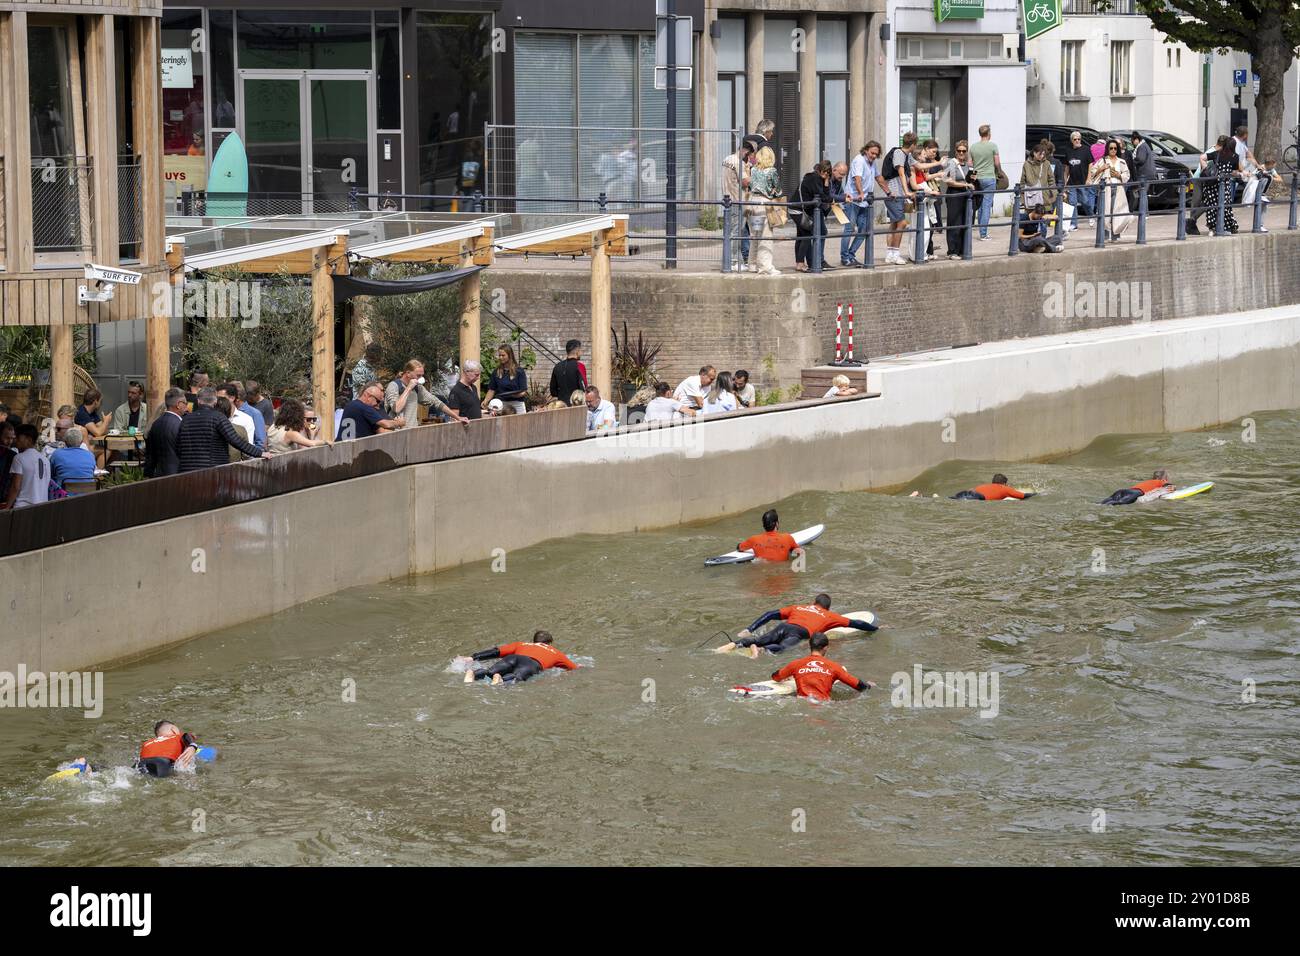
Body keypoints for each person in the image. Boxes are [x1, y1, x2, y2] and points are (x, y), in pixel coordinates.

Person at [714, 593, 879, 658]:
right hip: (799, 633)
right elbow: (857, 623)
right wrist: (875, 629)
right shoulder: (830, 616)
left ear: (814, 603)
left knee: (763, 638)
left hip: (785, 626)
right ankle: (761, 650)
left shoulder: (799, 607)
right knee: (784, 647)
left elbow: (770, 614)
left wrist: (749, 628)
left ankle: (735, 644)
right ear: (827, 607)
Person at [177, 387, 266, 471]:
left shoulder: (185, 419)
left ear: (198, 400)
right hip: (212, 471)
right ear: (215, 401)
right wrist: (260, 453)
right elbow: (235, 440)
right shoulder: (218, 418)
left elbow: (178, 446)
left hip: (186, 471)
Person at [771, 633, 876, 703]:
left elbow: (776, 677)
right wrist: (869, 685)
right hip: (823, 705)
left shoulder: (796, 664)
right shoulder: (834, 667)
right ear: (826, 647)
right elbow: (858, 685)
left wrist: (788, 677)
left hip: (801, 702)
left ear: (810, 646)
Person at [459, 630, 580, 685]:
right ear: (550, 643)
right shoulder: (555, 652)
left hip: (514, 657)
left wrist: (473, 658)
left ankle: (473, 674)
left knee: (490, 672)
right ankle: (501, 680)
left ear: (534, 641)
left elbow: (496, 651)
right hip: (532, 664)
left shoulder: (521, 644)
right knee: (516, 678)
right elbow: (573, 668)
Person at [877, 132, 917, 265]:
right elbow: (901, 173)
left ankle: (889, 254)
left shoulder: (907, 155)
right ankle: (895, 253)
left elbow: (918, 166)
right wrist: (907, 191)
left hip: (896, 194)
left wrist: (939, 164)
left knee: (894, 224)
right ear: (913, 145)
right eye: (915, 145)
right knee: (902, 223)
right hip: (894, 194)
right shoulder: (899, 154)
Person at [385, 359, 463, 426]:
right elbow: (396, 409)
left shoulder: (417, 388)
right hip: (396, 433)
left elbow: (436, 402)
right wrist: (408, 388)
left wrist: (457, 417)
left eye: (422, 375)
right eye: (418, 375)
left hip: (412, 431)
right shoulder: (394, 386)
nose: (420, 378)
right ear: (408, 373)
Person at [842, 142, 880, 267]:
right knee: (849, 229)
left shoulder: (873, 163)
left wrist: (889, 192)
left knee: (864, 230)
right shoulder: (859, 160)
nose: (874, 156)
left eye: (876, 154)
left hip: (864, 203)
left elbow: (878, 177)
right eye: (872, 153)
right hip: (853, 200)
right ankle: (845, 258)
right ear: (866, 150)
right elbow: (857, 178)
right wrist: (861, 193)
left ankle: (851, 255)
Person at [1087, 139, 1133, 241]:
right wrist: (1101, 168)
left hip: (1118, 189)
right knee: (1105, 212)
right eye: (1111, 148)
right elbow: (1093, 172)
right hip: (1106, 189)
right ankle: (1105, 235)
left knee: (1118, 212)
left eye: (1115, 148)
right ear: (1108, 149)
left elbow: (1127, 175)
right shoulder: (1102, 160)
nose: (1113, 150)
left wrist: (1119, 175)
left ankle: (1116, 235)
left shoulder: (1122, 161)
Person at [748, 146, 783, 276]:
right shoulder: (772, 171)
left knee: (755, 235)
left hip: (752, 203)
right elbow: (778, 190)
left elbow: (751, 186)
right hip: (765, 205)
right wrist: (774, 193)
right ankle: (765, 267)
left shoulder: (753, 170)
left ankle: (752, 264)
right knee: (766, 236)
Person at [794, 160, 832, 273]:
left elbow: (824, 195)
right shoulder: (813, 178)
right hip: (797, 209)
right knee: (807, 234)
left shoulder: (819, 179)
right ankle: (800, 264)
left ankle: (800, 263)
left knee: (801, 235)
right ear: (819, 170)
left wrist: (826, 182)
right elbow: (823, 196)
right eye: (824, 172)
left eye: (828, 173)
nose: (826, 175)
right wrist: (839, 198)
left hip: (800, 209)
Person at [722, 140, 755, 271]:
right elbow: (746, 182)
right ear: (746, 152)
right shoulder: (738, 163)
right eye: (750, 155)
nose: (750, 158)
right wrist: (756, 174)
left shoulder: (727, 159)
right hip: (737, 199)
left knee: (730, 231)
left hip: (727, 199)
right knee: (736, 231)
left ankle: (730, 259)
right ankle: (733, 261)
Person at [1, 424, 49, 510]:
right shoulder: (45, 460)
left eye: (18, 437)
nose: (15, 440)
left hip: (22, 507)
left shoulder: (19, 458)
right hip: (42, 506)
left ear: (29, 439)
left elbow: (15, 486)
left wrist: (7, 507)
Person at [969, 124, 1003, 240]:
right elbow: (997, 162)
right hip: (989, 177)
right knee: (987, 205)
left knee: (980, 205)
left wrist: (978, 165)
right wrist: (1000, 172)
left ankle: (980, 229)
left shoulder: (973, 147)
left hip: (977, 178)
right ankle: (983, 233)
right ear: (989, 134)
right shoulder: (993, 146)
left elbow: (969, 163)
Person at [942, 140, 976, 259]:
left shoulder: (969, 165)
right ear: (955, 151)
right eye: (959, 151)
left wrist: (973, 180)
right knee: (954, 223)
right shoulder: (952, 163)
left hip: (966, 195)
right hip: (954, 195)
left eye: (964, 151)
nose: (961, 153)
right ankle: (952, 251)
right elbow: (948, 181)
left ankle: (962, 249)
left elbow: (970, 181)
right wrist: (965, 185)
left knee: (965, 222)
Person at [339, 381, 407, 439]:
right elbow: (386, 424)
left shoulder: (351, 405)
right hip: (352, 448)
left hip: (343, 445)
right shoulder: (365, 408)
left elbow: (380, 430)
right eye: (377, 401)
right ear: (368, 396)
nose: (378, 405)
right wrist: (399, 422)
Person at [144, 387, 187, 478]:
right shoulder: (180, 425)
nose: (186, 407)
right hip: (177, 474)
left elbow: (150, 454)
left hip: (157, 475)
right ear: (179, 404)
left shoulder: (155, 424)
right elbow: (184, 452)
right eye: (185, 403)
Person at [135, 721, 200, 778]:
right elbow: (187, 735)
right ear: (174, 730)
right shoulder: (178, 736)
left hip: (140, 764)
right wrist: (192, 746)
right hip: (162, 762)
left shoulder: (148, 742)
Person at [735, 508, 803, 563]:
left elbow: (739, 548)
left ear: (764, 525)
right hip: (783, 576)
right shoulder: (787, 538)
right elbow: (799, 553)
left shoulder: (753, 540)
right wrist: (790, 549)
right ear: (777, 524)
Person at [1204, 135, 1240, 235]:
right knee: (1225, 206)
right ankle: (1227, 227)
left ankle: (1212, 228)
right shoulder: (1235, 156)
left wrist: (1205, 169)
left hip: (1212, 184)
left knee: (1212, 206)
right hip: (1224, 184)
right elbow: (1235, 172)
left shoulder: (1217, 153)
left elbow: (1202, 157)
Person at [1020, 141, 1058, 235]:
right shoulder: (1027, 164)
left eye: (1043, 154)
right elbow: (1022, 181)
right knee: (1031, 219)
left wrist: (1053, 194)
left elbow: (1051, 180)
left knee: (1043, 219)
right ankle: (1030, 237)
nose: (1041, 156)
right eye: (1039, 154)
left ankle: (1042, 239)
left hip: (1044, 197)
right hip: (1030, 197)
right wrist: (1022, 197)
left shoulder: (1046, 164)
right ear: (1034, 153)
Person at [217, 381, 264, 450]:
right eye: (217, 398)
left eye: (222, 398)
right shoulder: (214, 417)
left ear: (232, 398)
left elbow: (255, 444)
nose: (218, 401)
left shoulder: (247, 418)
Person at [482, 346, 528, 415]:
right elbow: (492, 389)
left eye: (503, 355)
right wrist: (486, 401)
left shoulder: (519, 371)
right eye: (499, 355)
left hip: (517, 404)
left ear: (510, 355)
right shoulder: (496, 371)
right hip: (502, 404)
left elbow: (523, 391)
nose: (500, 357)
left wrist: (514, 395)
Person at [1064, 131, 1095, 232]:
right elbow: (1067, 168)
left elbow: (1090, 164)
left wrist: (1089, 178)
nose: (1077, 141)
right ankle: (1074, 224)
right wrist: (1065, 181)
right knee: (1072, 203)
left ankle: (1091, 215)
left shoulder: (1086, 150)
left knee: (1085, 201)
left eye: (1078, 139)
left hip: (1083, 180)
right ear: (1071, 141)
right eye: (1075, 139)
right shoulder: (1068, 151)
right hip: (1072, 182)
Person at [1099, 469, 1173, 506]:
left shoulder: (1149, 481)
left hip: (1126, 490)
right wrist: (1173, 488)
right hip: (1136, 493)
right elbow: (1168, 486)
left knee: (1104, 502)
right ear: (1164, 478)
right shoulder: (1161, 481)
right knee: (1119, 503)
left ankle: (1098, 504)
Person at [951, 473, 1034, 501]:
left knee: (955, 498)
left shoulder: (984, 486)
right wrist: (1037, 494)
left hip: (970, 492)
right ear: (1004, 483)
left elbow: (972, 490)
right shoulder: (1005, 489)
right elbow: (1023, 496)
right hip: (979, 497)